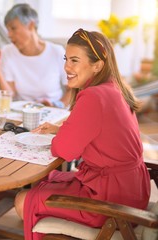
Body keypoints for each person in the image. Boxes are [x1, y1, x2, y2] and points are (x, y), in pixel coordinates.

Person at [14, 28, 151, 240]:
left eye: (74, 60)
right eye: (66, 59)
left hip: (112, 200)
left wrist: (63, 134)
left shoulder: (93, 96)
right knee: (47, 181)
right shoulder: (115, 87)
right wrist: (63, 129)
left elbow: (63, 150)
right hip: (133, 190)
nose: (66, 67)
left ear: (97, 65)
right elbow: (105, 135)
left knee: (23, 200)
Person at [0, 3, 71, 108]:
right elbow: (9, 95)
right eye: (8, 30)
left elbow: (72, 89)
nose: (8, 34)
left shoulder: (56, 52)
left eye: (13, 28)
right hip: (22, 112)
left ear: (31, 25)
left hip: (52, 111)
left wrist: (57, 105)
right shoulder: (7, 52)